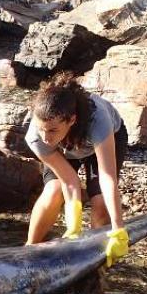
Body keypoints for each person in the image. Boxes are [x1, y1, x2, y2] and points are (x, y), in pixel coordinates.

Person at [24, 72, 130, 267]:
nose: (45, 137)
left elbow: (107, 178)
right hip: (64, 149)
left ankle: (95, 258)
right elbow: (69, 181)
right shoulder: (37, 137)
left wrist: (118, 229)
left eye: (52, 130)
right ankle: (28, 252)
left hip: (102, 142)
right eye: (41, 129)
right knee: (53, 190)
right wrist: (73, 225)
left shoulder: (98, 119)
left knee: (100, 204)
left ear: (71, 120)